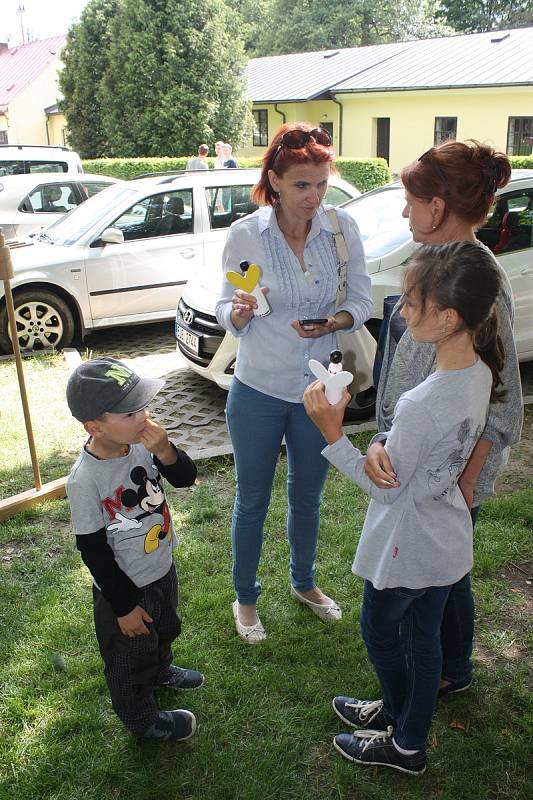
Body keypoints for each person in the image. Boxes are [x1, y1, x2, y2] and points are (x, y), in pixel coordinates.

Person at [304, 241, 505, 774]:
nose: (401, 311)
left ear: (446, 318)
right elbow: (415, 454)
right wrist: (380, 445)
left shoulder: (422, 401)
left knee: (382, 633)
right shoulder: (480, 372)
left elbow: (387, 489)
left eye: (412, 302)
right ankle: (403, 720)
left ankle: (405, 736)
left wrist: (334, 434)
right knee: (424, 640)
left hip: (408, 547)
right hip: (445, 541)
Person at [365, 140, 523, 698]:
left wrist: (461, 484)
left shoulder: (476, 278)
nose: (405, 213)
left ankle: (432, 677)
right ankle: (452, 669)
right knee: (447, 579)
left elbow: (502, 402)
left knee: (435, 582)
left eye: (410, 202)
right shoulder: (436, 266)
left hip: (443, 472)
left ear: (437, 207)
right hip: (419, 456)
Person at [215, 122, 373, 643]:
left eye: (323, 183)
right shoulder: (246, 234)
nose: (314, 196)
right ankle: (246, 596)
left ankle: (304, 583)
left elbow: (362, 299)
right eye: (303, 184)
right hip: (258, 388)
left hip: (319, 390)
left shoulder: (341, 228)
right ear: (276, 182)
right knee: (252, 499)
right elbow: (227, 306)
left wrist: (335, 322)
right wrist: (236, 312)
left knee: (308, 497)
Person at [65, 357, 202, 742]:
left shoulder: (141, 445)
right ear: (95, 426)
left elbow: (185, 477)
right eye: (130, 412)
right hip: (123, 588)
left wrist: (166, 450)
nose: (143, 417)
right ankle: (140, 717)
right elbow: (93, 551)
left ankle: (161, 668)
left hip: (160, 565)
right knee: (128, 658)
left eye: (144, 406)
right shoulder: (84, 480)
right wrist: (123, 607)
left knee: (164, 627)